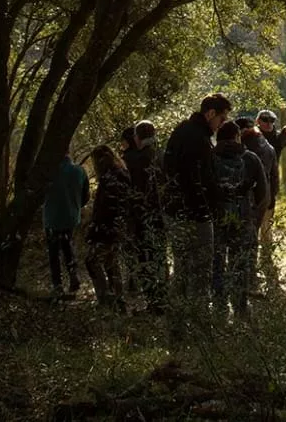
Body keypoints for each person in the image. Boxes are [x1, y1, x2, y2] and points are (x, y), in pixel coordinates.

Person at [162, 93, 231, 323]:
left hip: (174, 210)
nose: (221, 124)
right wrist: (209, 206)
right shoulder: (198, 139)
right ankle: (199, 323)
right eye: (221, 119)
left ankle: (177, 322)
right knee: (201, 270)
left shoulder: (181, 131)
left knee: (181, 268)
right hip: (195, 214)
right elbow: (200, 180)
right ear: (210, 113)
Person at [211, 120, 269, 319]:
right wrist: (254, 218)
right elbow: (263, 194)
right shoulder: (250, 158)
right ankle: (241, 308)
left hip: (216, 219)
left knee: (216, 262)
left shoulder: (209, 157)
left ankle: (218, 307)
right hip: (243, 217)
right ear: (238, 137)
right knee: (240, 263)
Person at [122, 119, 167, 312]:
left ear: (138, 137)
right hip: (162, 213)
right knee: (160, 255)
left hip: (141, 214)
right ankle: (164, 297)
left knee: (143, 256)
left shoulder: (134, 159)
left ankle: (153, 301)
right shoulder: (162, 155)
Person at [84, 145, 132, 311]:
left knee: (93, 261)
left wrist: (97, 227)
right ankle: (118, 301)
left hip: (108, 229)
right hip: (117, 228)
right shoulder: (120, 174)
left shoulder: (111, 179)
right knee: (111, 263)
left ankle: (106, 300)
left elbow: (107, 207)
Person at [43, 152, 90, 297]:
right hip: (71, 217)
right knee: (67, 245)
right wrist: (76, 206)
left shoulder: (48, 172)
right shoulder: (79, 170)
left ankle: (57, 284)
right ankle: (73, 275)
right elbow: (86, 196)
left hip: (52, 217)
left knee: (53, 252)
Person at [241, 111, 281, 280]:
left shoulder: (246, 148)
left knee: (253, 235)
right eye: (265, 120)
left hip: (252, 199)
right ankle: (255, 269)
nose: (268, 123)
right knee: (258, 233)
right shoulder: (265, 146)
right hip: (264, 197)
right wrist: (272, 196)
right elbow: (274, 175)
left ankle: (252, 270)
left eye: (271, 121)